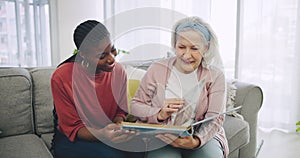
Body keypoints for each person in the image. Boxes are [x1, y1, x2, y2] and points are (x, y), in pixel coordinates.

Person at [130, 16, 229, 158]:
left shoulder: (215, 76)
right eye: (181, 47)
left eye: (194, 48)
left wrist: (196, 141)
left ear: (206, 48)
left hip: (202, 137)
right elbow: (136, 106)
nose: (186, 55)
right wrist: (159, 113)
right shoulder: (157, 69)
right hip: (162, 135)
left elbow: (215, 118)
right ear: (174, 45)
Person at [50, 20, 140, 158]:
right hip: (74, 139)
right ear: (83, 55)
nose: (111, 59)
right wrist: (103, 134)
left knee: (140, 150)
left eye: (112, 49)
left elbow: (120, 110)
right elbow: (73, 128)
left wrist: (118, 126)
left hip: (107, 132)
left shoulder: (118, 71)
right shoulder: (62, 77)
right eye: (102, 56)